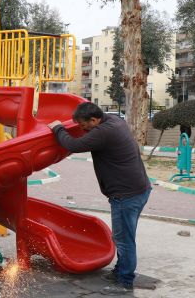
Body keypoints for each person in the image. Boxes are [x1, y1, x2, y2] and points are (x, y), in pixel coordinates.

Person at [47, 102, 151, 296]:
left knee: (124, 239)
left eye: (83, 125)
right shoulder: (113, 120)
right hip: (138, 190)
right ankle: (121, 271)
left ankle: (125, 281)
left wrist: (57, 128)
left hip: (125, 195)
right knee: (125, 236)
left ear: (94, 120)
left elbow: (72, 145)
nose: (82, 129)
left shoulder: (103, 132)